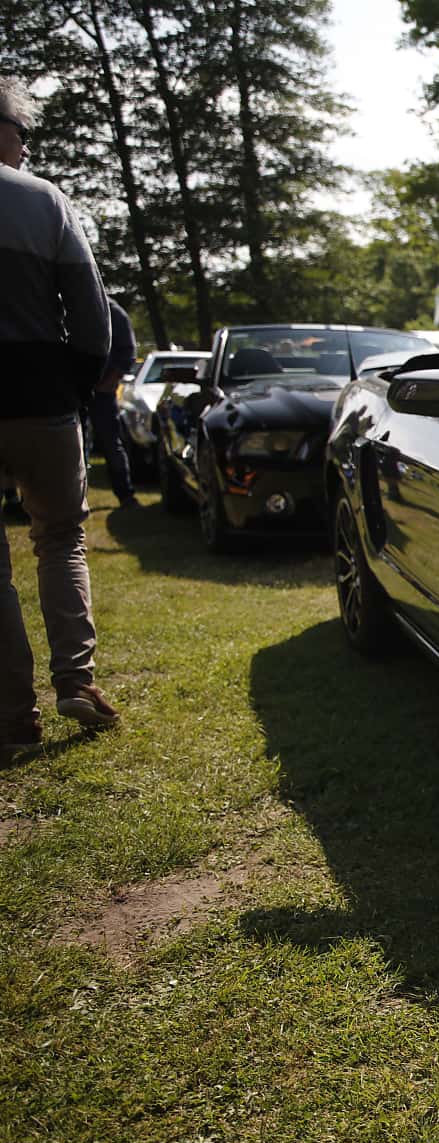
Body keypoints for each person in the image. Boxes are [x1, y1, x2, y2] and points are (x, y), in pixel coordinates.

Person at [0, 77, 121, 748]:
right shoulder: (41, 200)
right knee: (60, 540)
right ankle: (76, 682)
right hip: (42, 399)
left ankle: (14, 720)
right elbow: (93, 313)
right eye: (20, 134)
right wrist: (76, 388)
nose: (23, 148)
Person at [90, 298, 138, 506]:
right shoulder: (67, 304)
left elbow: (127, 350)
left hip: (102, 391)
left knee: (111, 444)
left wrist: (110, 381)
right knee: (73, 446)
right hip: (72, 390)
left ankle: (125, 495)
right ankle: (74, 498)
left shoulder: (112, 311)